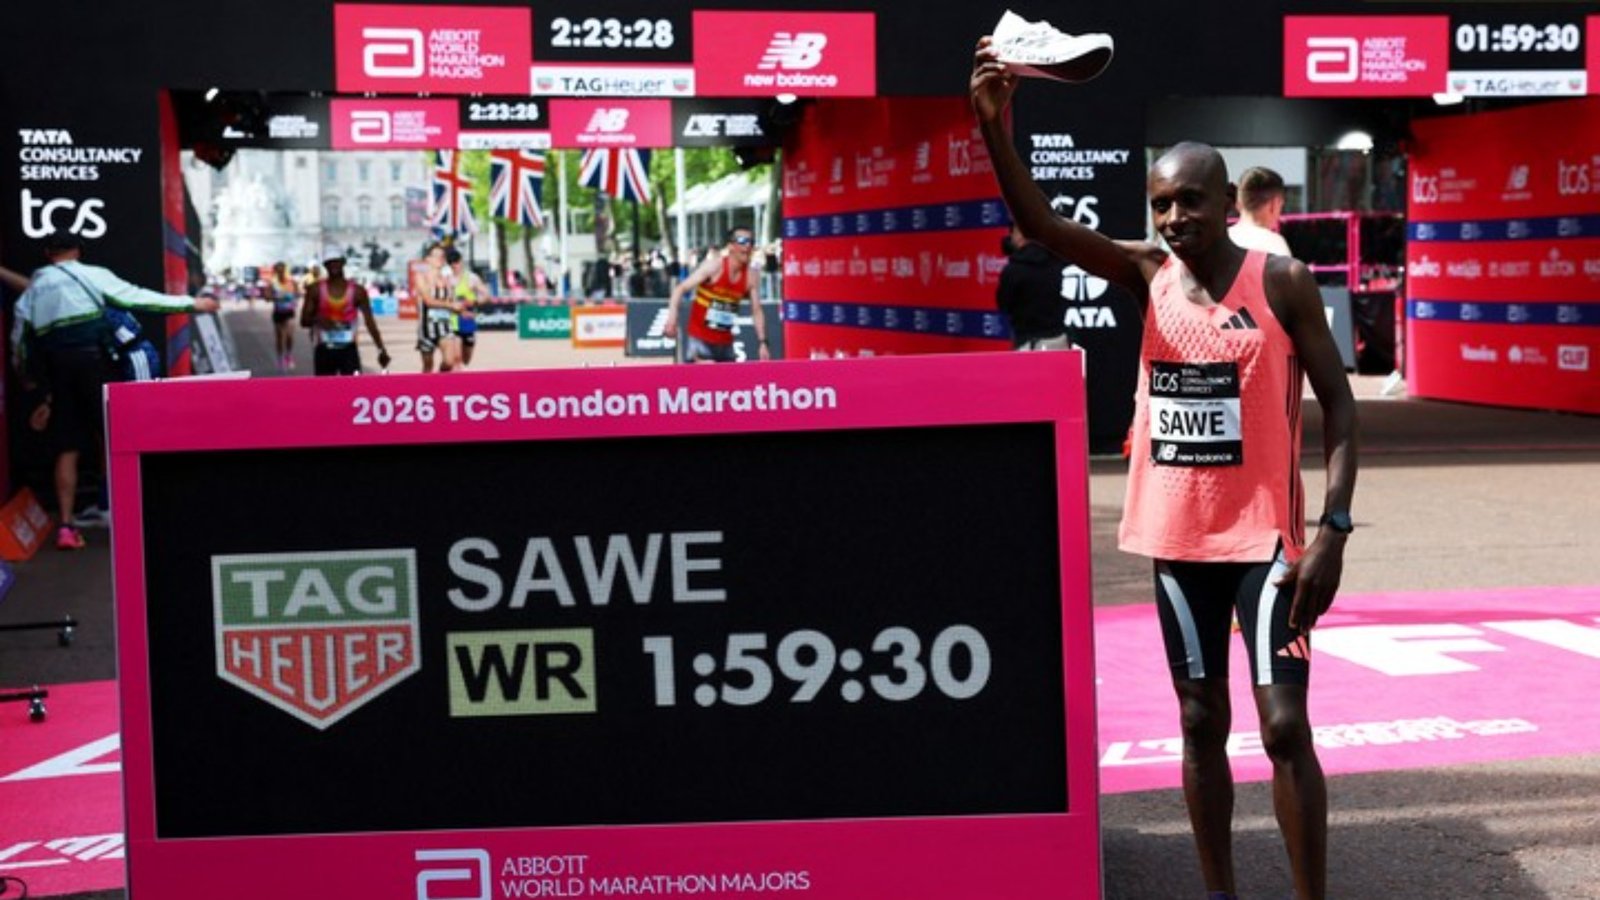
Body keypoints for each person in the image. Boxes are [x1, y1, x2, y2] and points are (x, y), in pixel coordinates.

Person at [973, 38, 1357, 900]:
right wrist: (997, 128)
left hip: (1268, 544)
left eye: (1190, 201)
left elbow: (1340, 404)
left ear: (1228, 202)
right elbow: (1039, 226)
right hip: (1179, 542)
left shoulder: (1282, 280)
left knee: (1285, 726)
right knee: (1198, 718)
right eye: (1160, 205)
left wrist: (1331, 531)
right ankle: (1218, 889)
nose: (1174, 218)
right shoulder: (1147, 274)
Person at [7, 231, 220, 550]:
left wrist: (29, 381)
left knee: (67, 449)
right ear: (78, 251)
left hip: (58, 371)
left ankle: (66, 527)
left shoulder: (34, 289)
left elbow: (19, 343)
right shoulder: (92, 275)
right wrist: (193, 303)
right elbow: (140, 298)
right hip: (96, 365)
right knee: (114, 437)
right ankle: (129, 517)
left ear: (48, 254)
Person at [662, 226, 769, 363]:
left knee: (729, 384)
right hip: (700, 340)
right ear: (730, 246)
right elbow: (680, 289)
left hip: (725, 342)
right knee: (700, 383)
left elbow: (757, 311)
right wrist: (672, 318)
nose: (747, 246)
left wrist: (763, 342)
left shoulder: (751, 276)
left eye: (751, 242)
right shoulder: (714, 266)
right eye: (742, 241)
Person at [299, 255, 389, 376]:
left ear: (343, 263)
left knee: (353, 391)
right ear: (325, 265)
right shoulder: (315, 290)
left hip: (348, 350)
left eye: (337, 262)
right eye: (330, 263)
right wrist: (319, 320)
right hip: (324, 349)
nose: (333, 266)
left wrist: (381, 349)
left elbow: (370, 322)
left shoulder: (358, 291)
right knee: (325, 391)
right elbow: (304, 321)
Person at [995, 225, 1073, 350]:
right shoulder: (1055, 261)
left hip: (1026, 341)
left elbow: (1003, 303)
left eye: (1013, 233)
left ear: (1020, 237)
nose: (1010, 238)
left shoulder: (1013, 270)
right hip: (1057, 339)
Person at [415, 243, 460, 373]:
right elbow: (428, 301)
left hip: (445, 325)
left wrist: (459, 308)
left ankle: (440, 383)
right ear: (428, 259)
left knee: (449, 362)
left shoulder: (448, 279)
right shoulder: (421, 277)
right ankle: (427, 389)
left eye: (442, 256)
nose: (440, 258)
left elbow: (453, 301)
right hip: (426, 327)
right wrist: (450, 305)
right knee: (428, 367)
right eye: (436, 256)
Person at [1229, 166, 1293, 257]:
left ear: (1238, 203)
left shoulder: (1218, 241)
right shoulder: (1275, 245)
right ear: (1274, 204)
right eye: (1280, 206)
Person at [446, 248, 487, 370]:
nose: (455, 266)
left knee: (466, 359)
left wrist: (474, 302)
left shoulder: (472, 278)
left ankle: (460, 370)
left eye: (456, 262)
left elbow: (486, 295)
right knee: (456, 358)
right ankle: (457, 385)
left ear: (461, 261)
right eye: (451, 264)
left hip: (468, 321)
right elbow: (445, 300)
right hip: (453, 320)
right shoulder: (447, 280)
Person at [267, 261, 300, 372]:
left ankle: (289, 356)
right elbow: (267, 297)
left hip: (289, 313)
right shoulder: (273, 283)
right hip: (278, 313)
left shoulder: (292, 282)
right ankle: (280, 358)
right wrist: (275, 297)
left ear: (285, 270)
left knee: (290, 337)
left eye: (282, 269)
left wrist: (294, 300)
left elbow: (298, 293)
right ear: (276, 271)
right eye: (278, 270)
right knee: (280, 338)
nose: (281, 272)